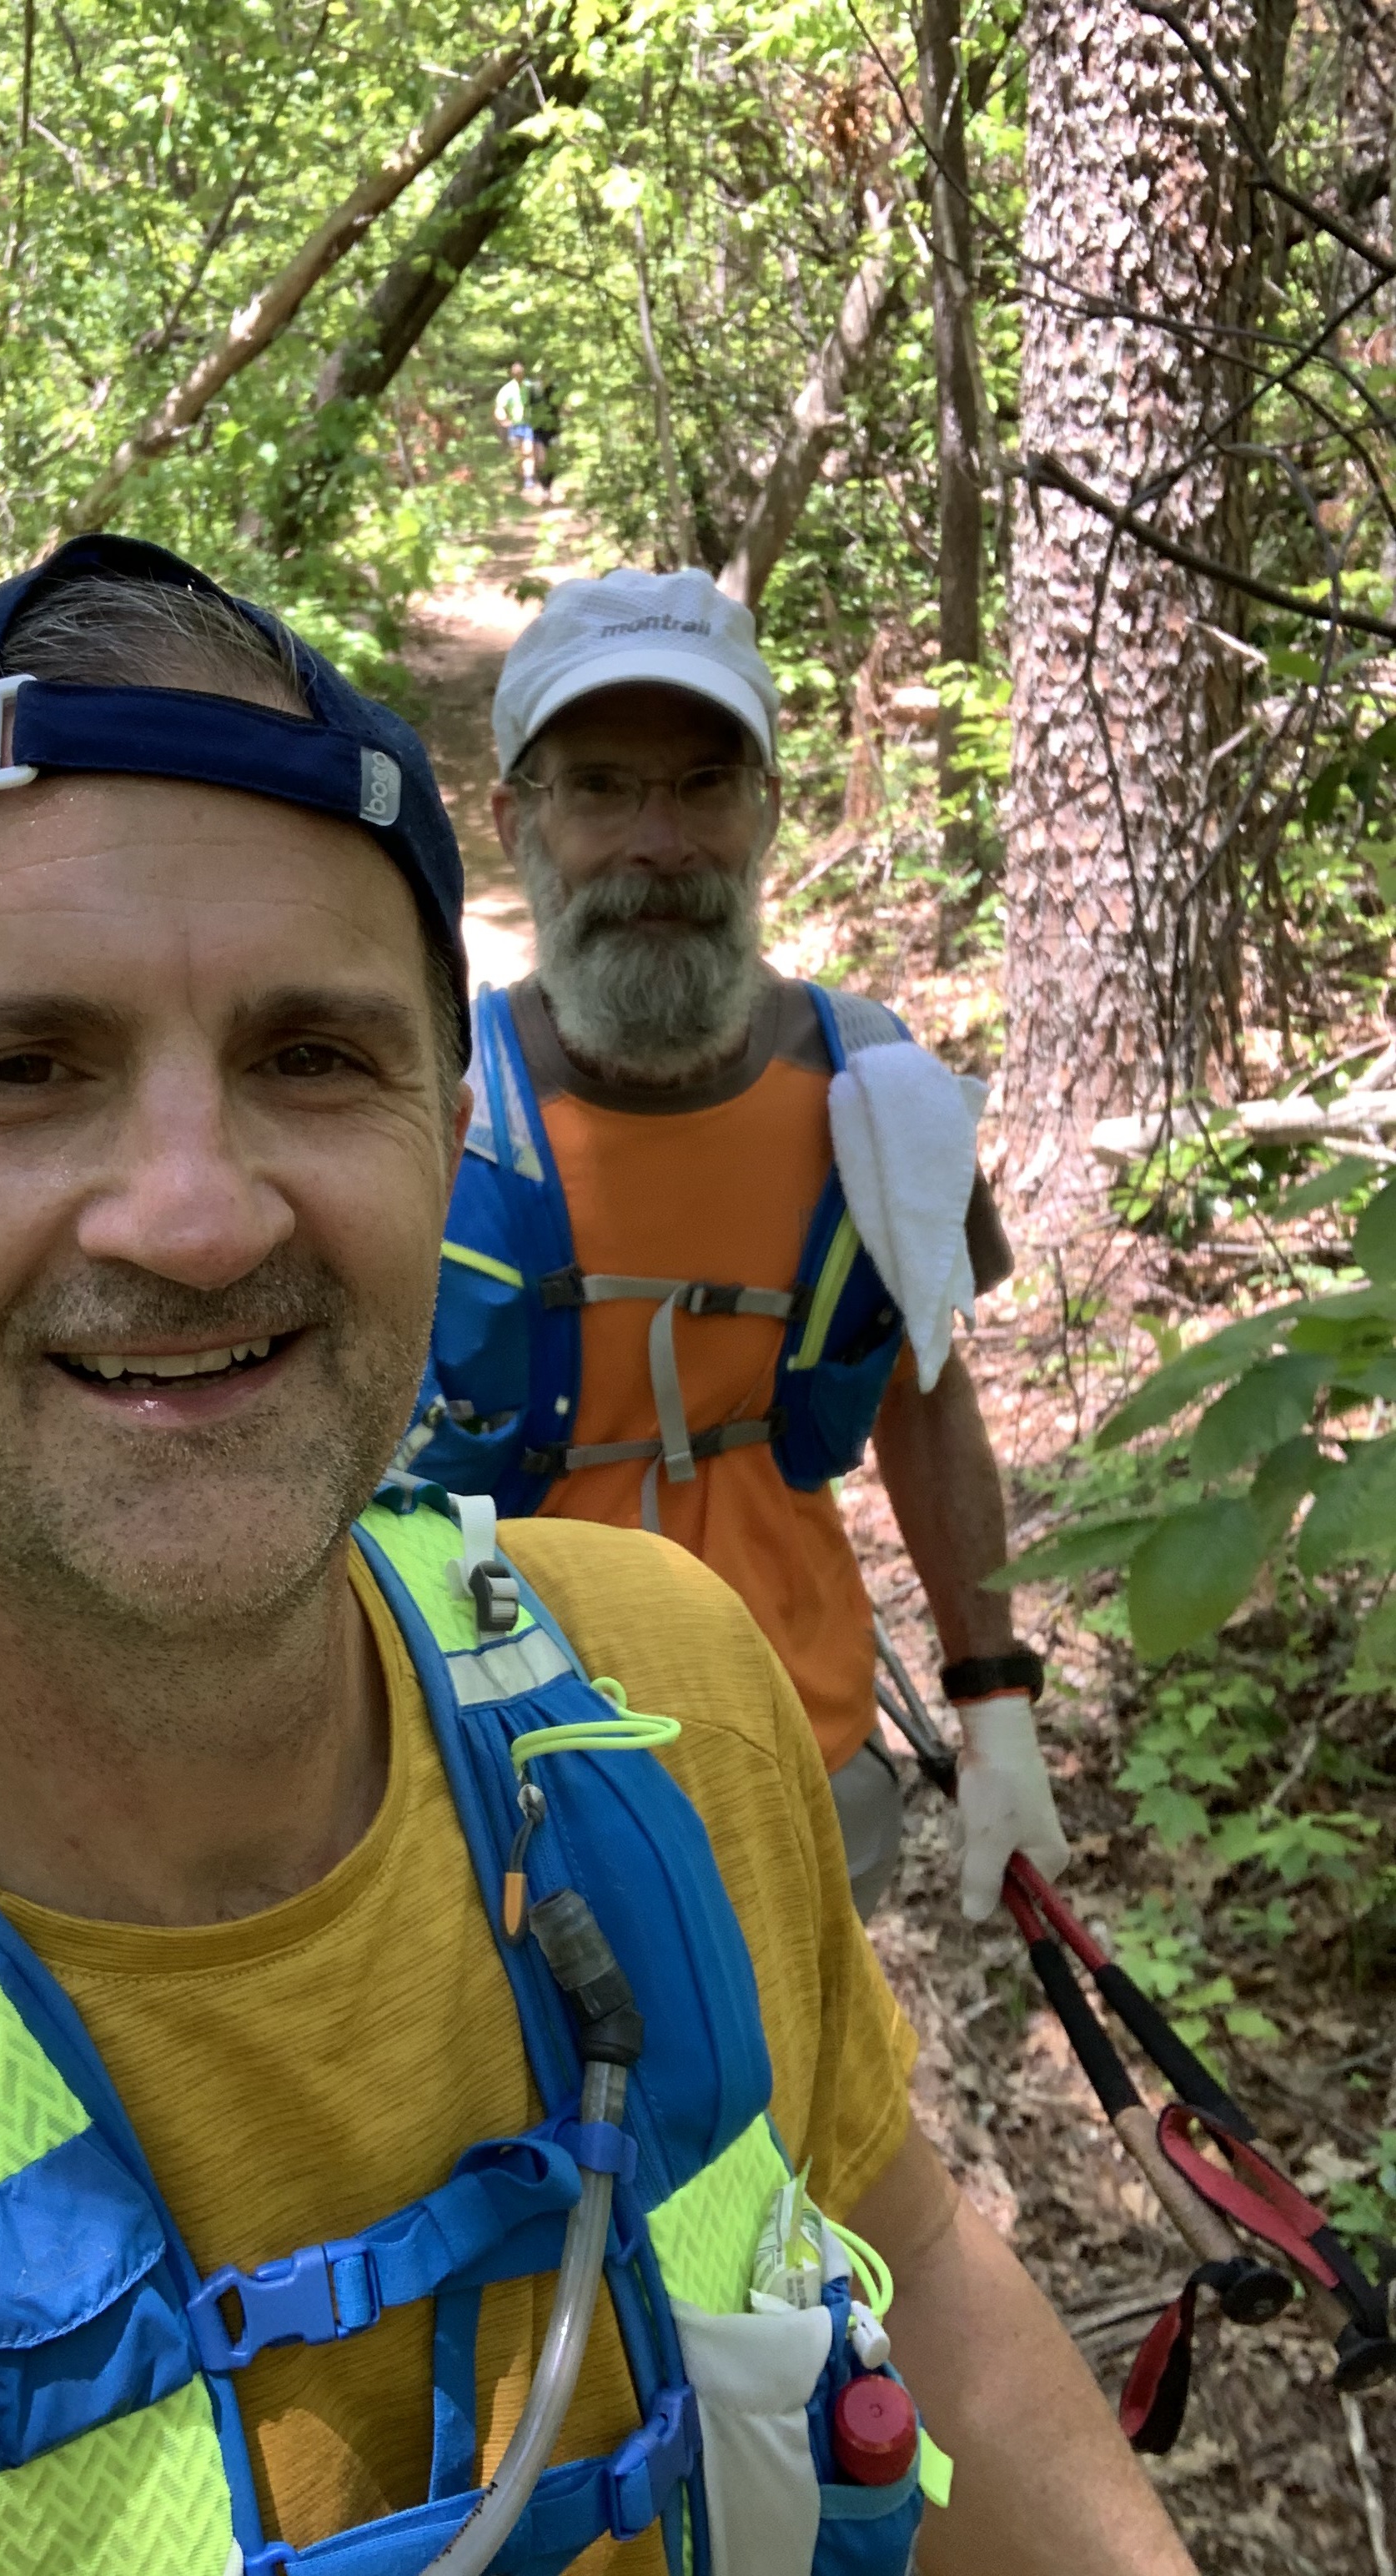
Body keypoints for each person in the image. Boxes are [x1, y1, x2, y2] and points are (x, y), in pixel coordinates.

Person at [0, 535, 1191, 2576]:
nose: (192, 1219)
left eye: (310, 1055)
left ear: (427, 1122)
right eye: (22, 1067)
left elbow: (885, 2233)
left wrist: (987, 1696)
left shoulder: (679, 1677)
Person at [403, 566, 1070, 1925]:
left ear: (765, 814)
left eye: (706, 783)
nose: (661, 841)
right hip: (492, 1776)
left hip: (799, 1755)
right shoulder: (421, 1106)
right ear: (514, 819)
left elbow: (925, 1392)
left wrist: (995, 1708)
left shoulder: (875, 1097)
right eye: (601, 787)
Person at [493, 360, 536, 498]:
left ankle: (529, 481)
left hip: (529, 424)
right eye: (516, 373)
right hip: (514, 426)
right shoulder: (507, 389)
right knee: (518, 454)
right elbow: (499, 408)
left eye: (520, 372)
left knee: (528, 451)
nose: (518, 375)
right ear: (512, 374)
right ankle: (521, 478)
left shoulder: (530, 386)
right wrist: (504, 420)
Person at [527, 375, 561, 500]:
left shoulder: (555, 389)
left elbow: (560, 406)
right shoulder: (533, 390)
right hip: (538, 429)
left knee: (552, 459)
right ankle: (544, 486)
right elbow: (527, 407)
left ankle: (549, 486)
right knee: (540, 459)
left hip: (553, 429)